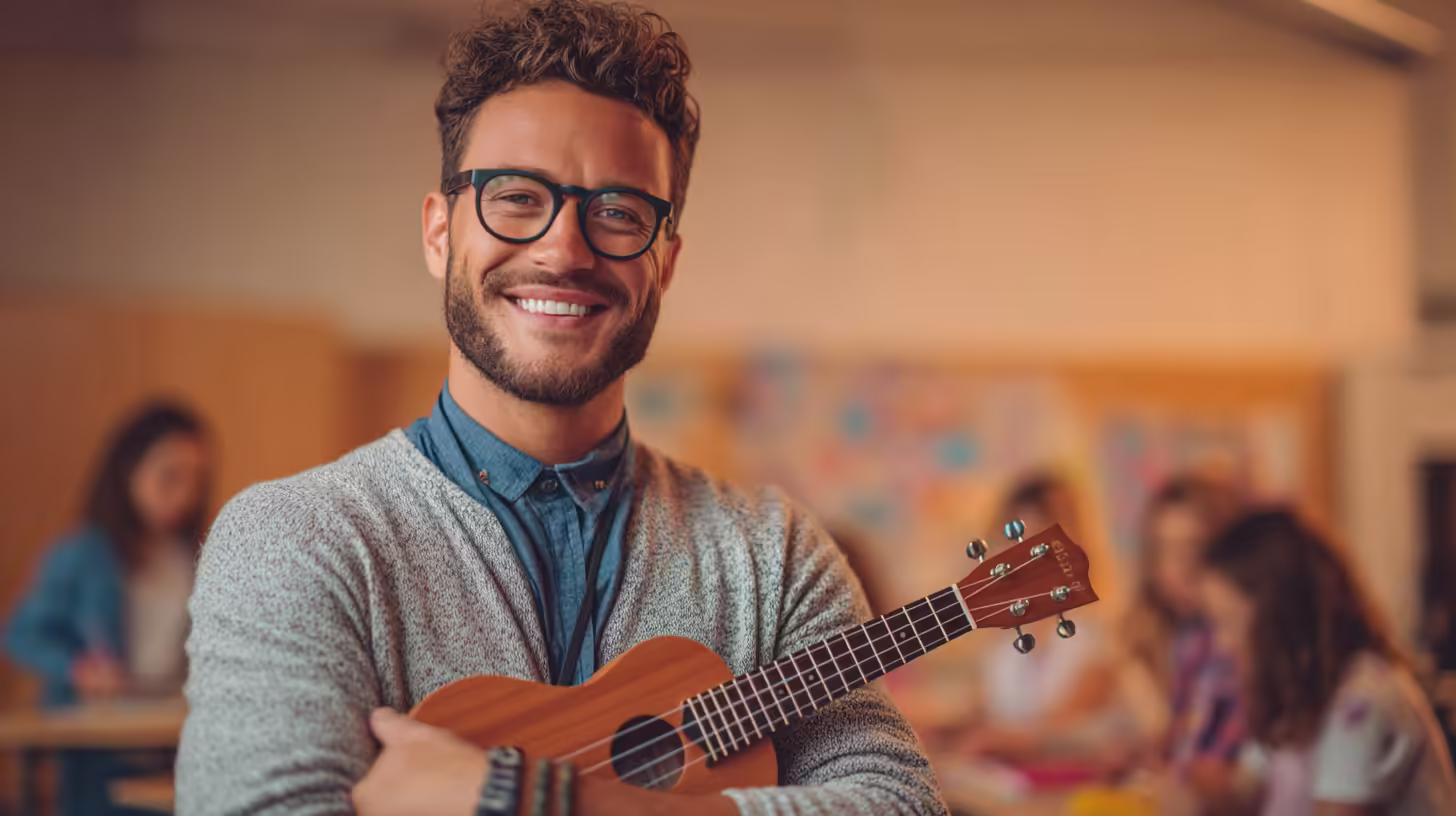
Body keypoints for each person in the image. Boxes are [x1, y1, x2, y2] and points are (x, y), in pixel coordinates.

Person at [176, 2, 946, 815]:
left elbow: (900, 803)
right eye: (515, 196)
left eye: (618, 211)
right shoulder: (296, 540)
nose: (563, 250)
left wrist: (535, 800)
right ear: (439, 233)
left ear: (665, 261)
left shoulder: (773, 556)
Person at [5, 400, 211, 816]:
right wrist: (78, 668)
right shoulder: (83, 554)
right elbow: (21, 633)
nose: (184, 495)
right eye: (169, 476)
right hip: (100, 740)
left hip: (170, 732)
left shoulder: (195, 557)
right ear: (128, 471)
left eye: (196, 480)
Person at [1195, 510, 1456, 816]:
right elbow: (1244, 790)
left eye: (1228, 622)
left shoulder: (1362, 704)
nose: (1222, 644)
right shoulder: (1298, 691)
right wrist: (1190, 789)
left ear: (1280, 621)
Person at [956, 474, 1130, 769]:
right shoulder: (1002, 641)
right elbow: (986, 713)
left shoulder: (1098, 635)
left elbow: (1068, 719)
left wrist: (1002, 740)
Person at [1123, 476, 1247, 779]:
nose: (1177, 569)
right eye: (1163, 551)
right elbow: (1183, 742)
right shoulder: (1187, 638)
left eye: (1193, 549)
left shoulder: (1240, 643)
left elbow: (1229, 765)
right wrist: (1150, 751)